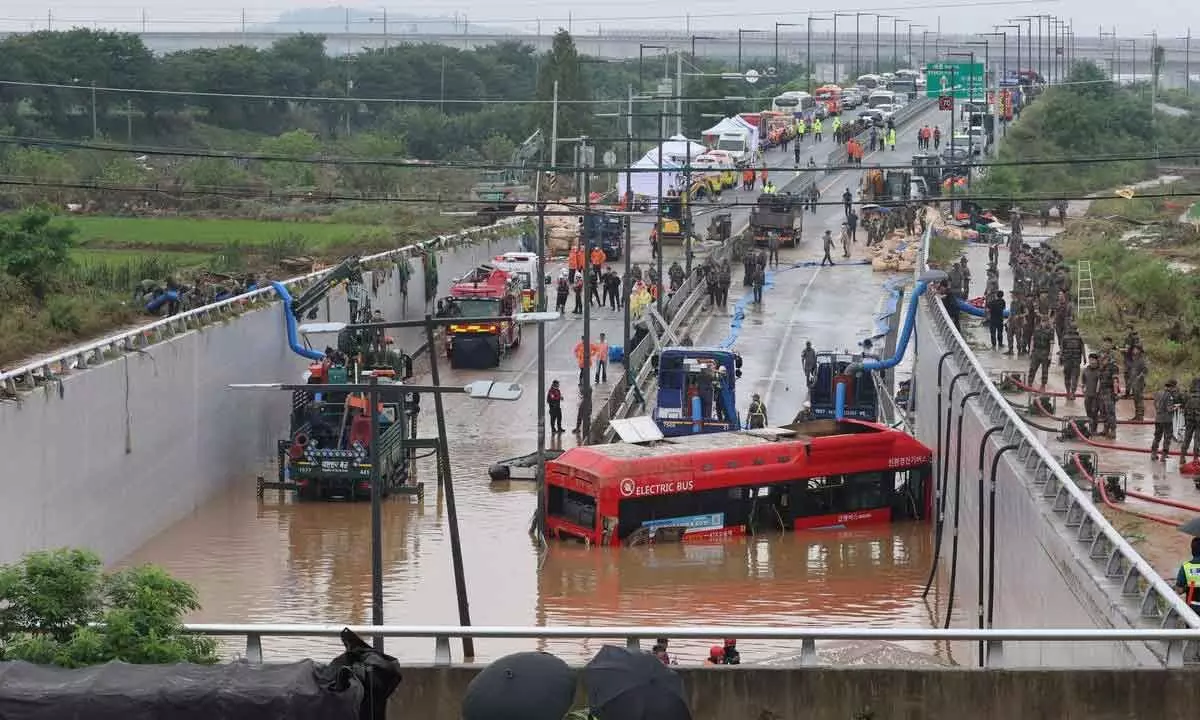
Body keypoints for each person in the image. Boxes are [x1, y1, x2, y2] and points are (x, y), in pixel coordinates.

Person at [1150, 379, 1182, 462]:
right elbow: (1169, 409)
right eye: (1174, 388)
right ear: (1172, 387)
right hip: (1167, 420)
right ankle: (1164, 456)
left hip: (1158, 419)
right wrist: (1176, 407)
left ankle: (1153, 454)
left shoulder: (1158, 393)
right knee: (1167, 438)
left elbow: (1155, 405)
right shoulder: (1169, 395)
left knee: (1157, 437)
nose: (1175, 389)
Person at [1058, 324, 1085, 401]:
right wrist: (1084, 358)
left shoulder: (1075, 338)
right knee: (1072, 377)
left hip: (1071, 360)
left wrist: (1085, 358)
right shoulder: (1068, 338)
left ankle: (1070, 393)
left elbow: (1082, 348)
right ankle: (1070, 393)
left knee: (1071, 377)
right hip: (1071, 360)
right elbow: (1062, 348)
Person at [1028, 317, 1055, 390]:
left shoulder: (1050, 331)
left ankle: (1043, 384)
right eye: (1042, 321)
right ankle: (1030, 383)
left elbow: (1052, 343)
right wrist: (1030, 351)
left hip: (1045, 352)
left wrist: (1050, 354)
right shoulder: (1036, 329)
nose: (1043, 323)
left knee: (1045, 370)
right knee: (1032, 368)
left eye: (1045, 322)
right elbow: (1032, 339)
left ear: (1047, 322)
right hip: (1036, 351)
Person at [1176, 537, 1200, 615]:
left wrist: (1187, 587)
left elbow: (1179, 590)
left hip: (1192, 608)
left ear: (1192, 551)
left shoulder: (1185, 567)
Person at [1127, 346, 1148, 421]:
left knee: (1139, 399)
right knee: (1136, 399)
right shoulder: (1134, 359)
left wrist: (1139, 377)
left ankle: (1140, 416)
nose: (1134, 351)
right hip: (1134, 382)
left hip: (1139, 383)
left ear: (1139, 350)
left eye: (1136, 349)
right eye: (1133, 349)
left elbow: (1145, 370)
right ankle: (1137, 415)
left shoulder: (1141, 359)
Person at [1082, 354, 1101, 433]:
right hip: (1087, 395)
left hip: (1096, 396)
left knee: (1094, 413)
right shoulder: (1086, 370)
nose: (1091, 362)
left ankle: (1094, 430)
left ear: (1097, 361)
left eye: (1093, 360)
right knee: (1088, 412)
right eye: (1090, 360)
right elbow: (1083, 380)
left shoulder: (1100, 370)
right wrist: (1083, 387)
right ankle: (1090, 428)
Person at [1182, 378, 1200, 464]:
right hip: (1198, 420)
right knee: (1197, 439)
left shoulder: (1187, 396)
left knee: (1187, 438)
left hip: (1189, 420)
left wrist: (1186, 420)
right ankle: (1195, 458)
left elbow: (1184, 409)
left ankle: (1182, 457)